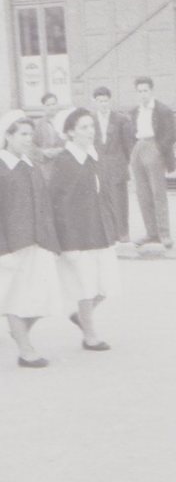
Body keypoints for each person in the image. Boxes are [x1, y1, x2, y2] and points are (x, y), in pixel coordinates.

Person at [49, 107, 120, 352]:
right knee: (86, 288)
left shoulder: (94, 156)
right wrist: (68, 244)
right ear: (70, 132)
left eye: (92, 126)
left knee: (106, 287)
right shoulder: (64, 162)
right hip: (79, 237)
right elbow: (58, 205)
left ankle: (81, 317)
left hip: (101, 232)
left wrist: (114, 228)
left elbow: (106, 195)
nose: (90, 132)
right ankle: (90, 336)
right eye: (83, 127)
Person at [0, 111, 62, 368]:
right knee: (15, 297)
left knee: (42, 297)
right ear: (7, 136)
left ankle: (19, 331)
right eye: (23, 134)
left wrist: (52, 241)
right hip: (12, 245)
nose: (28, 139)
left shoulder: (30, 165)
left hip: (38, 241)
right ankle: (26, 350)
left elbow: (45, 205)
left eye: (30, 134)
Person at [130, 77, 176, 249]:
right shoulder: (135, 111)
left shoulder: (162, 110)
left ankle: (164, 234)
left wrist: (158, 149)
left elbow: (172, 134)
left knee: (158, 193)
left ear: (151, 91)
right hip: (139, 147)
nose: (143, 94)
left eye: (146, 90)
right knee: (143, 194)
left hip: (154, 147)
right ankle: (151, 233)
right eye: (140, 91)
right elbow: (131, 132)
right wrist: (134, 150)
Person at [93, 86, 135, 243]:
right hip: (98, 165)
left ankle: (123, 233)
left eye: (105, 101)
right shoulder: (91, 120)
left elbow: (128, 144)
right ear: (95, 102)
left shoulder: (120, 119)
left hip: (117, 165)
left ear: (110, 101)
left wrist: (126, 164)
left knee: (120, 201)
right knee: (102, 201)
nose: (103, 104)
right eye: (100, 101)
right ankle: (109, 233)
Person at [32, 92, 64, 180]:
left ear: (57, 105)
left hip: (64, 165)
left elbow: (72, 141)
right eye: (48, 105)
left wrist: (61, 150)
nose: (51, 107)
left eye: (53, 104)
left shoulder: (64, 123)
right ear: (43, 107)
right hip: (46, 168)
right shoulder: (38, 125)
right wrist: (43, 152)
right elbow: (31, 145)